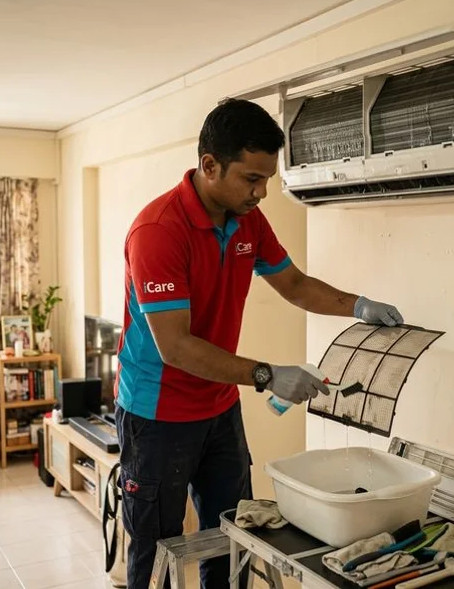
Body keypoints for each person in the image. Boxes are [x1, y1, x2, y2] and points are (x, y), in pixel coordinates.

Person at [115, 98, 403, 589]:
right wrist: (268, 375)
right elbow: (176, 347)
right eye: (252, 179)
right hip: (157, 417)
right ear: (209, 165)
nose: (262, 192)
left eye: (268, 178)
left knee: (233, 538)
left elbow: (293, 284)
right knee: (154, 550)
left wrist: (357, 305)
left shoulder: (247, 220)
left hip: (219, 411)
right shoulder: (158, 231)